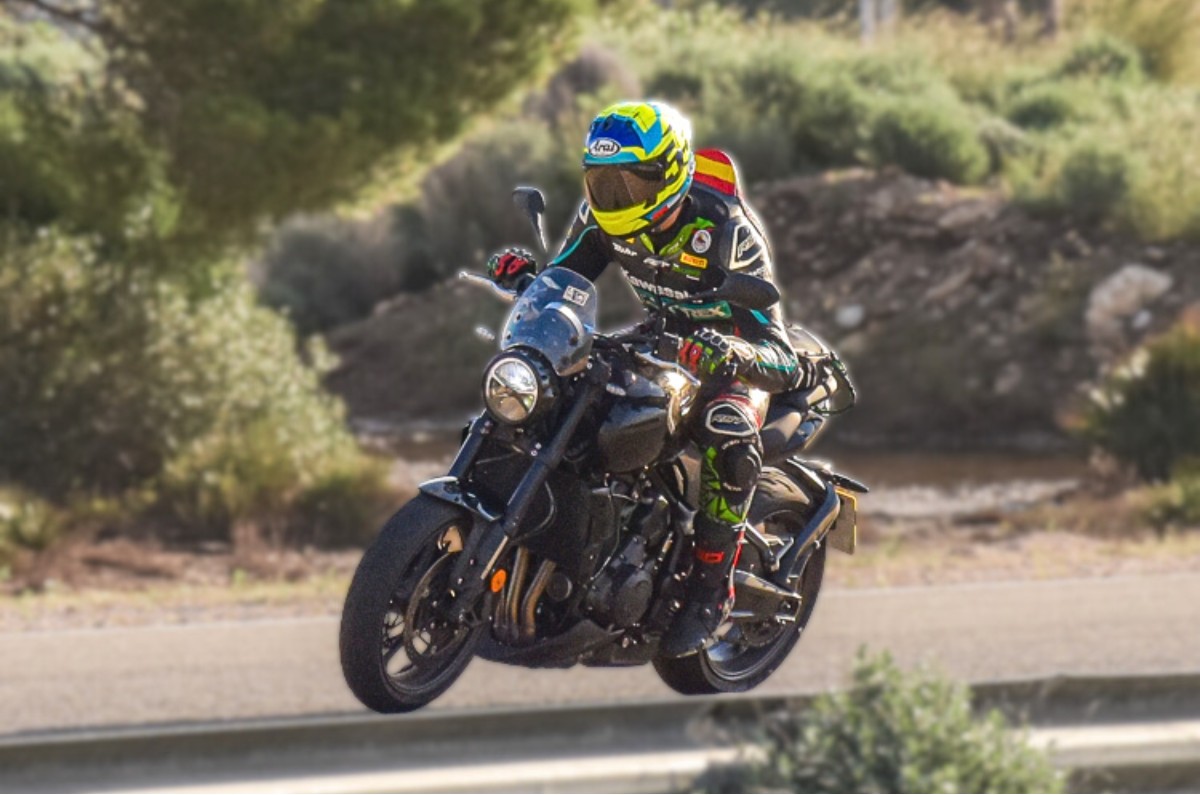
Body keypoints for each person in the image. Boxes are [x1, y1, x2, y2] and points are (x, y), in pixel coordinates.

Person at [488, 101, 815, 657]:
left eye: (630, 183)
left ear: (672, 172)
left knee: (728, 430)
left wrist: (730, 350)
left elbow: (778, 351)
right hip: (662, 340)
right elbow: (566, 277)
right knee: (560, 393)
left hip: (736, 359)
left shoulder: (724, 227)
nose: (616, 197)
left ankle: (711, 589)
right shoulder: (601, 217)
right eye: (603, 182)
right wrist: (529, 282)